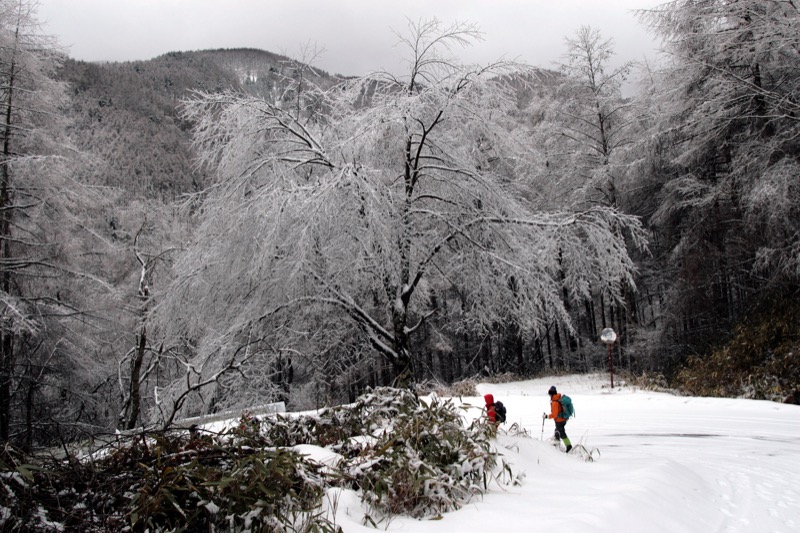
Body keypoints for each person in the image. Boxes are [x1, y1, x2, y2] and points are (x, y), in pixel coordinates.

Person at [543, 385, 572, 452]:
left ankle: (568, 446)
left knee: (561, 433)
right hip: (563, 419)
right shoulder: (558, 398)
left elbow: (554, 414)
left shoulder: (554, 403)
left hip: (560, 420)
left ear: (551, 394)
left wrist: (547, 416)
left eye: (549, 394)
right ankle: (556, 444)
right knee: (557, 431)